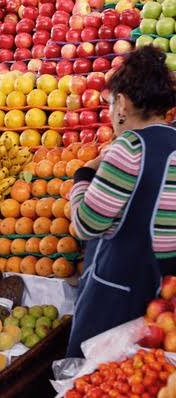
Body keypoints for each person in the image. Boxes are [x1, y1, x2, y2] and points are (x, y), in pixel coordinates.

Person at [66, 46, 176, 357]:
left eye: (112, 103)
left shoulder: (127, 148)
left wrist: (83, 176)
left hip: (117, 299)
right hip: (162, 302)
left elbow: (86, 225)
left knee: (99, 381)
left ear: (123, 103)